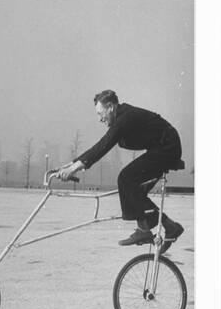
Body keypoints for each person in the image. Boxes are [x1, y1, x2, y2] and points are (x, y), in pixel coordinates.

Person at [59, 90, 184, 248]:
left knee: (126, 178)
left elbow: (103, 145)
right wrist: (71, 165)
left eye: (100, 113)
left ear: (110, 107)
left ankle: (144, 230)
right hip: (162, 146)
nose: (100, 119)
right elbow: (102, 145)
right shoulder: (122, 116)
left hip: (168, 147)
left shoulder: (125, 118)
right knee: (135, 191)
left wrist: (74, 169)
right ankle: (170, 227)